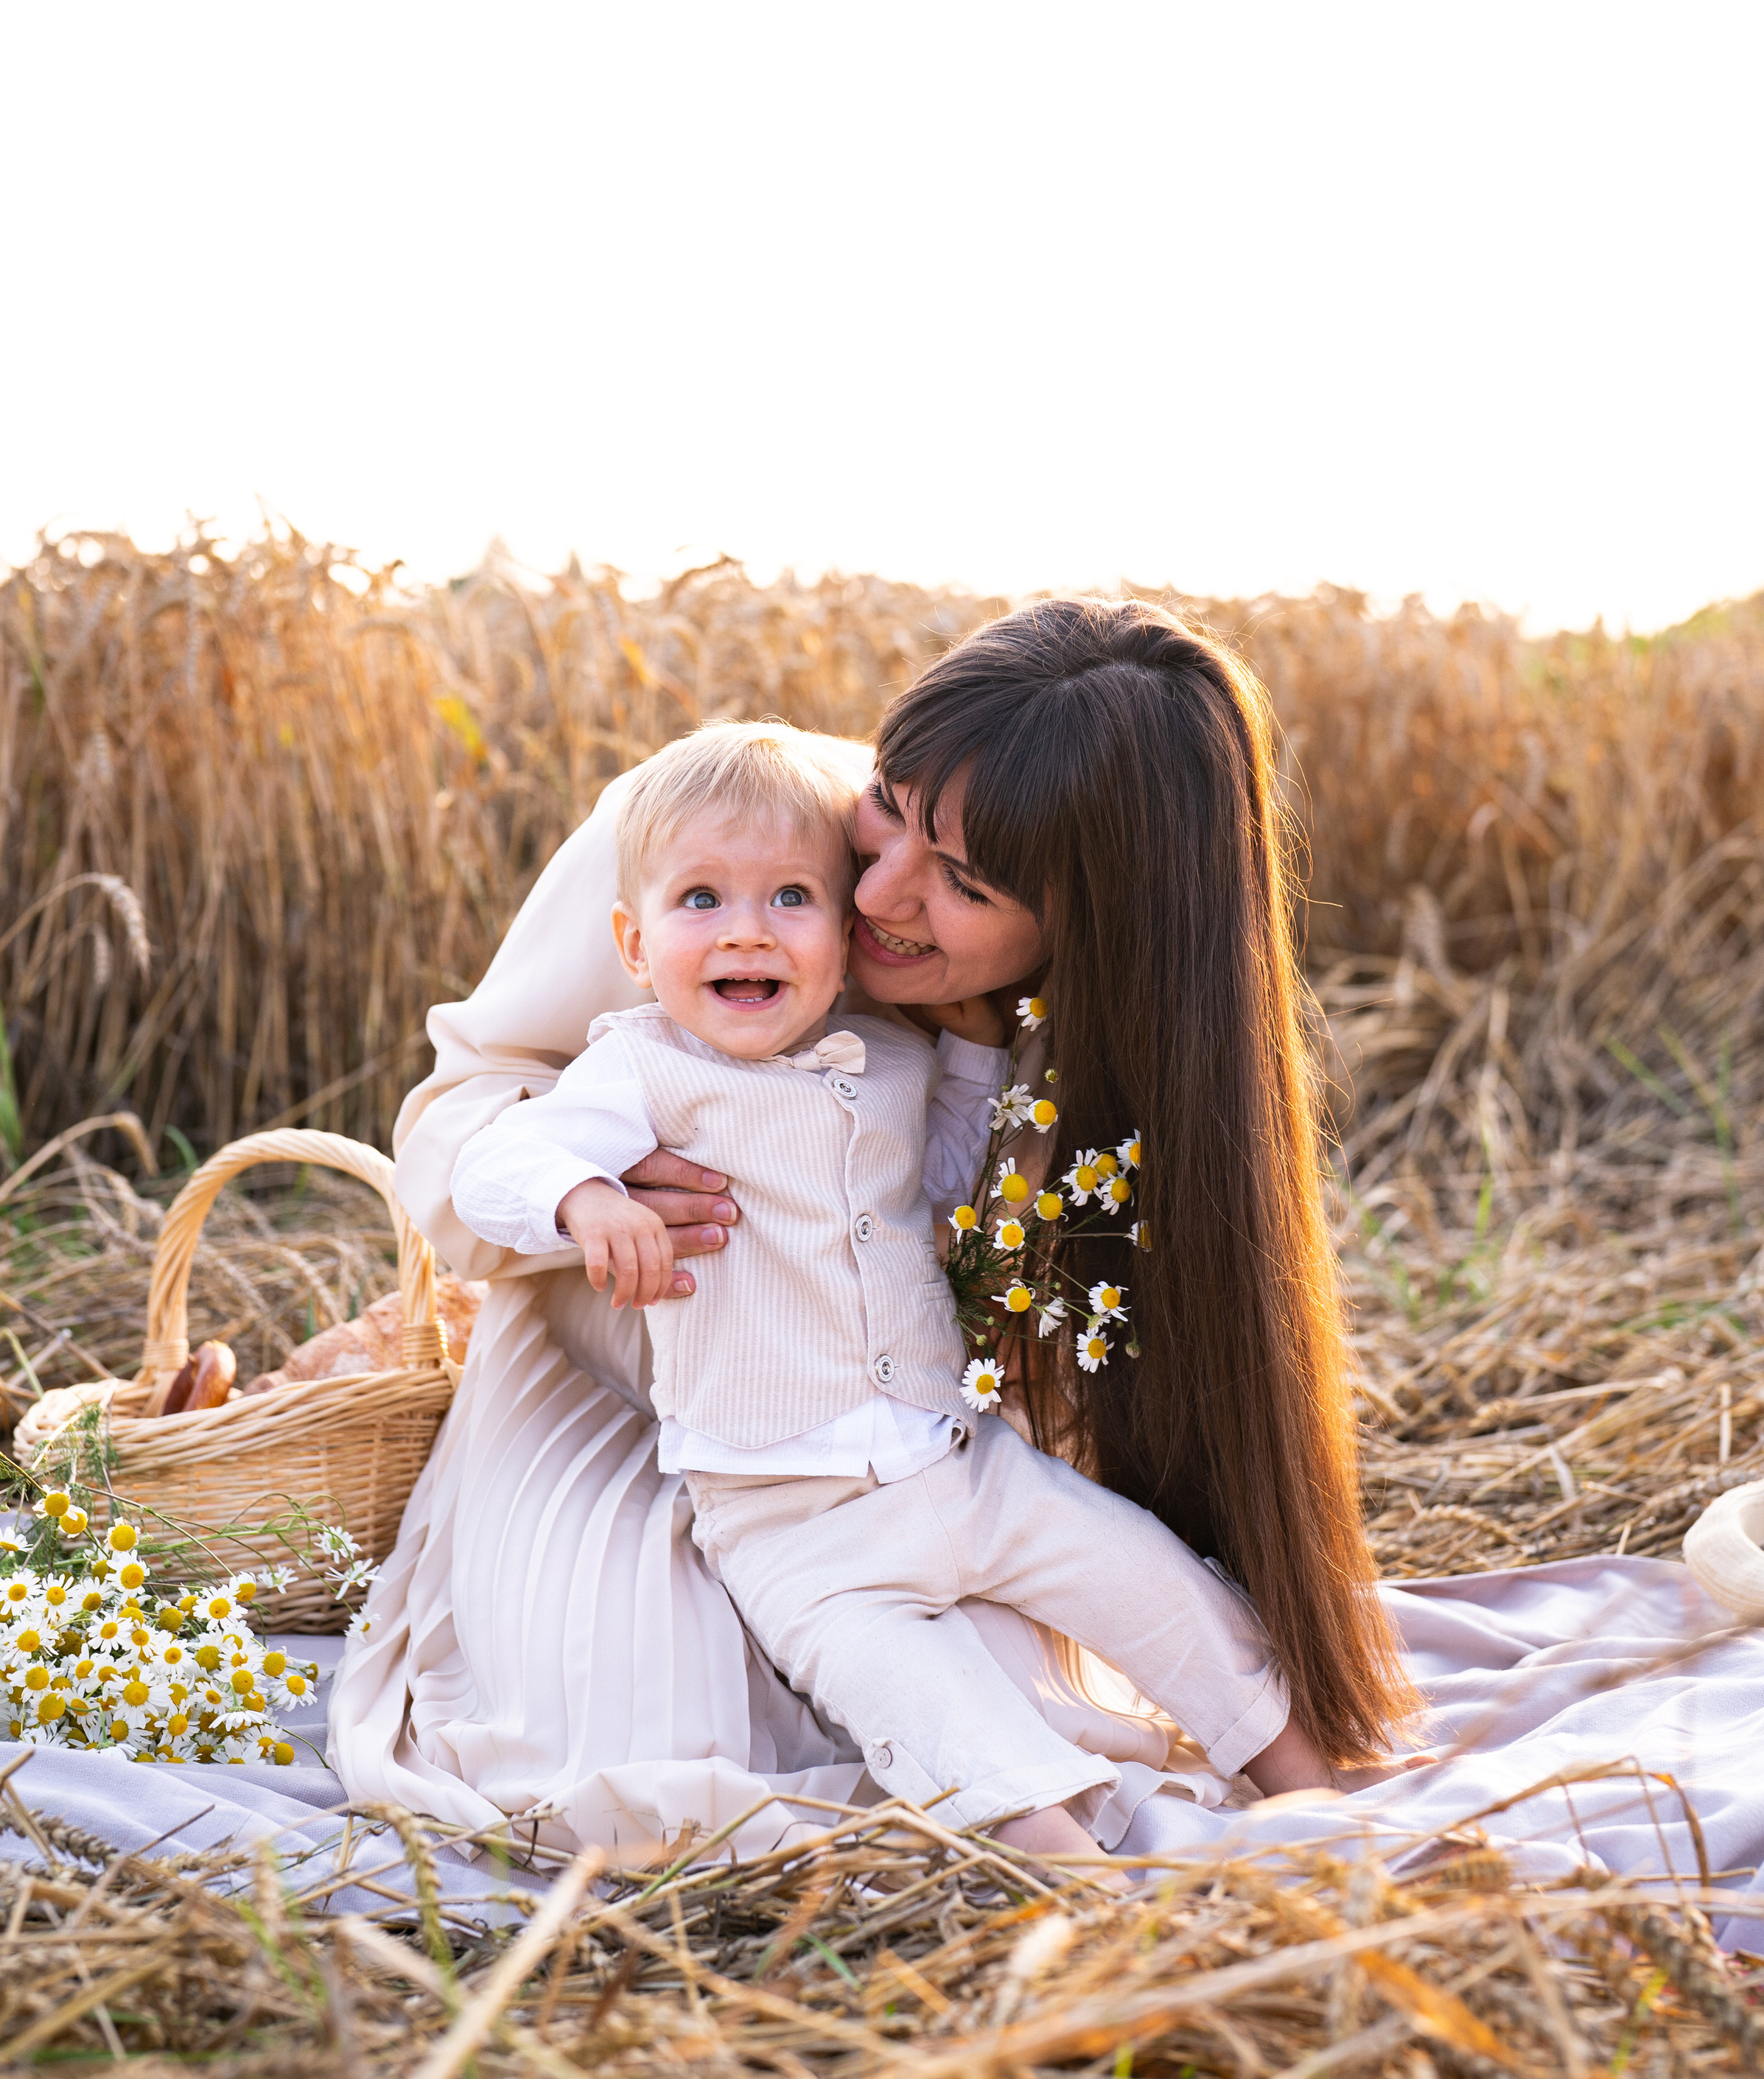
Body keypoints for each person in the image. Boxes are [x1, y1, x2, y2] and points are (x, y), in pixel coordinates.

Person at [329, 597, 1417, 1854]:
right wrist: (591, 1201)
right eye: (891, 808)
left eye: (963, 883)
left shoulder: (1080, 1019)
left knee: (1052, 1683)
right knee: (672, 1738)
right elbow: (457, 1122)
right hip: (631, 1381)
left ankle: (1292, 1798)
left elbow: (974, 1230)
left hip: (916, 1430)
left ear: (1085, 930)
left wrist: (991, 1172)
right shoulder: (725, 827)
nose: (878, 891)